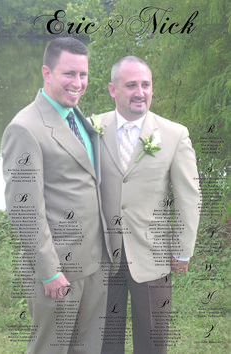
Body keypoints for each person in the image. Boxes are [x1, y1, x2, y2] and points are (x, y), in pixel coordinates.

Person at [2, 37, 111, 354]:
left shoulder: (77, 116)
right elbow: (25, 210)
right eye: (69, 74)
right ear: (46, 73)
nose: (78, 83)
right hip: (58, 271)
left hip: (93, 262)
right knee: (50, 348)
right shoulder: (24, 128)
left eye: (83, 75)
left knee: (87, 348)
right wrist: (49, 271)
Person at [94, 56, 201, 353]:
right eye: (131, 85)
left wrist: (182, 249)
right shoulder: (92, 129)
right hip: (102, 254)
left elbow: (188, 197)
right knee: (105, 340)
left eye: (146, 84)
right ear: (113, 90)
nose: (140, 92)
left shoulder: (174, 135)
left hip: (153, 256)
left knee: (153, 340)